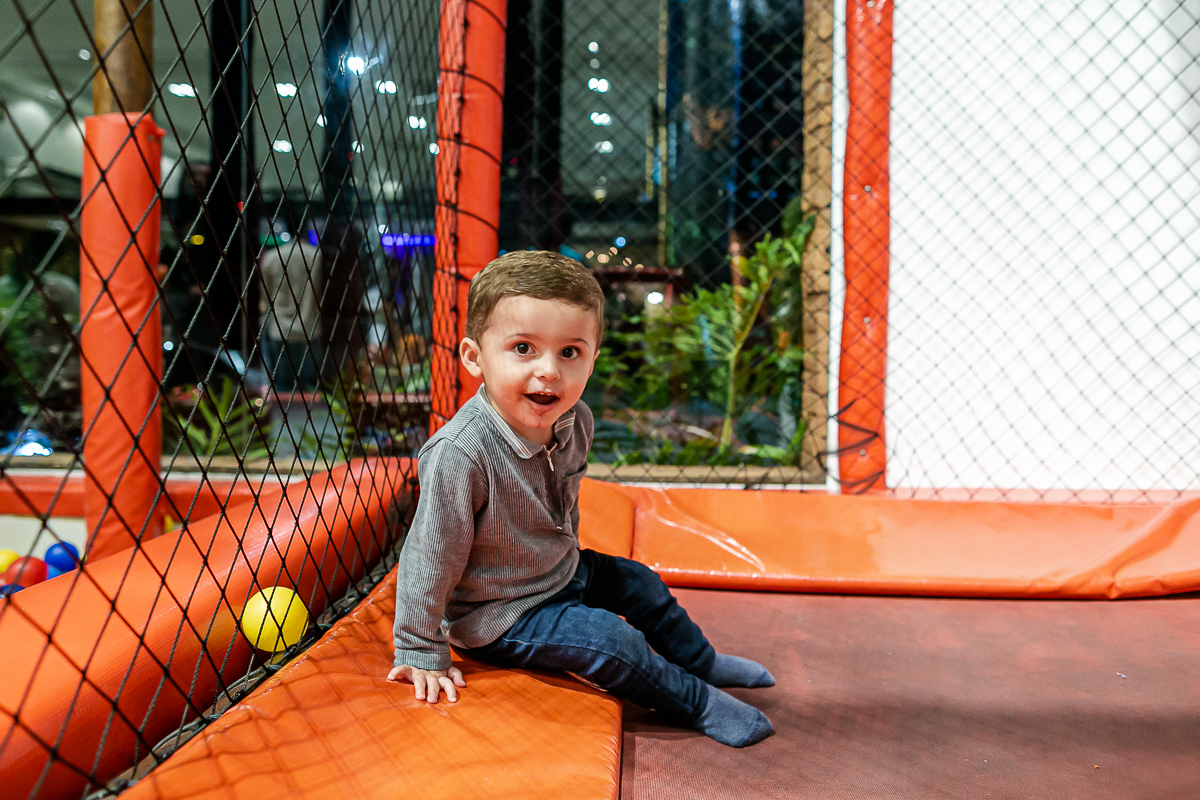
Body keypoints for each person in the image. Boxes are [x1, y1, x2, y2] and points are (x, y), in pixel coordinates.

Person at [387, 251, 774, 748]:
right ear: (474, 357)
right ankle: (697, 701)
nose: (549, 371)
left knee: (641, 583)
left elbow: (562, 503)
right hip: (500, 614)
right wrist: (420, 646)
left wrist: (573, 567)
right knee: (611, 641)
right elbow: (429, 554)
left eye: (569, 352)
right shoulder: (460, 453)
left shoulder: (576, 421)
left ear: (593, 358)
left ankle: (700, 660)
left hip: (558, 573)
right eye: (523, 348)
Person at [258, 230, 324, 392]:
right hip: (309, 327)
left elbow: (264, 294)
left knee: (282, 385)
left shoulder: (272, 257)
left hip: (279, 327)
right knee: (309, 387)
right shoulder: (315, 255)